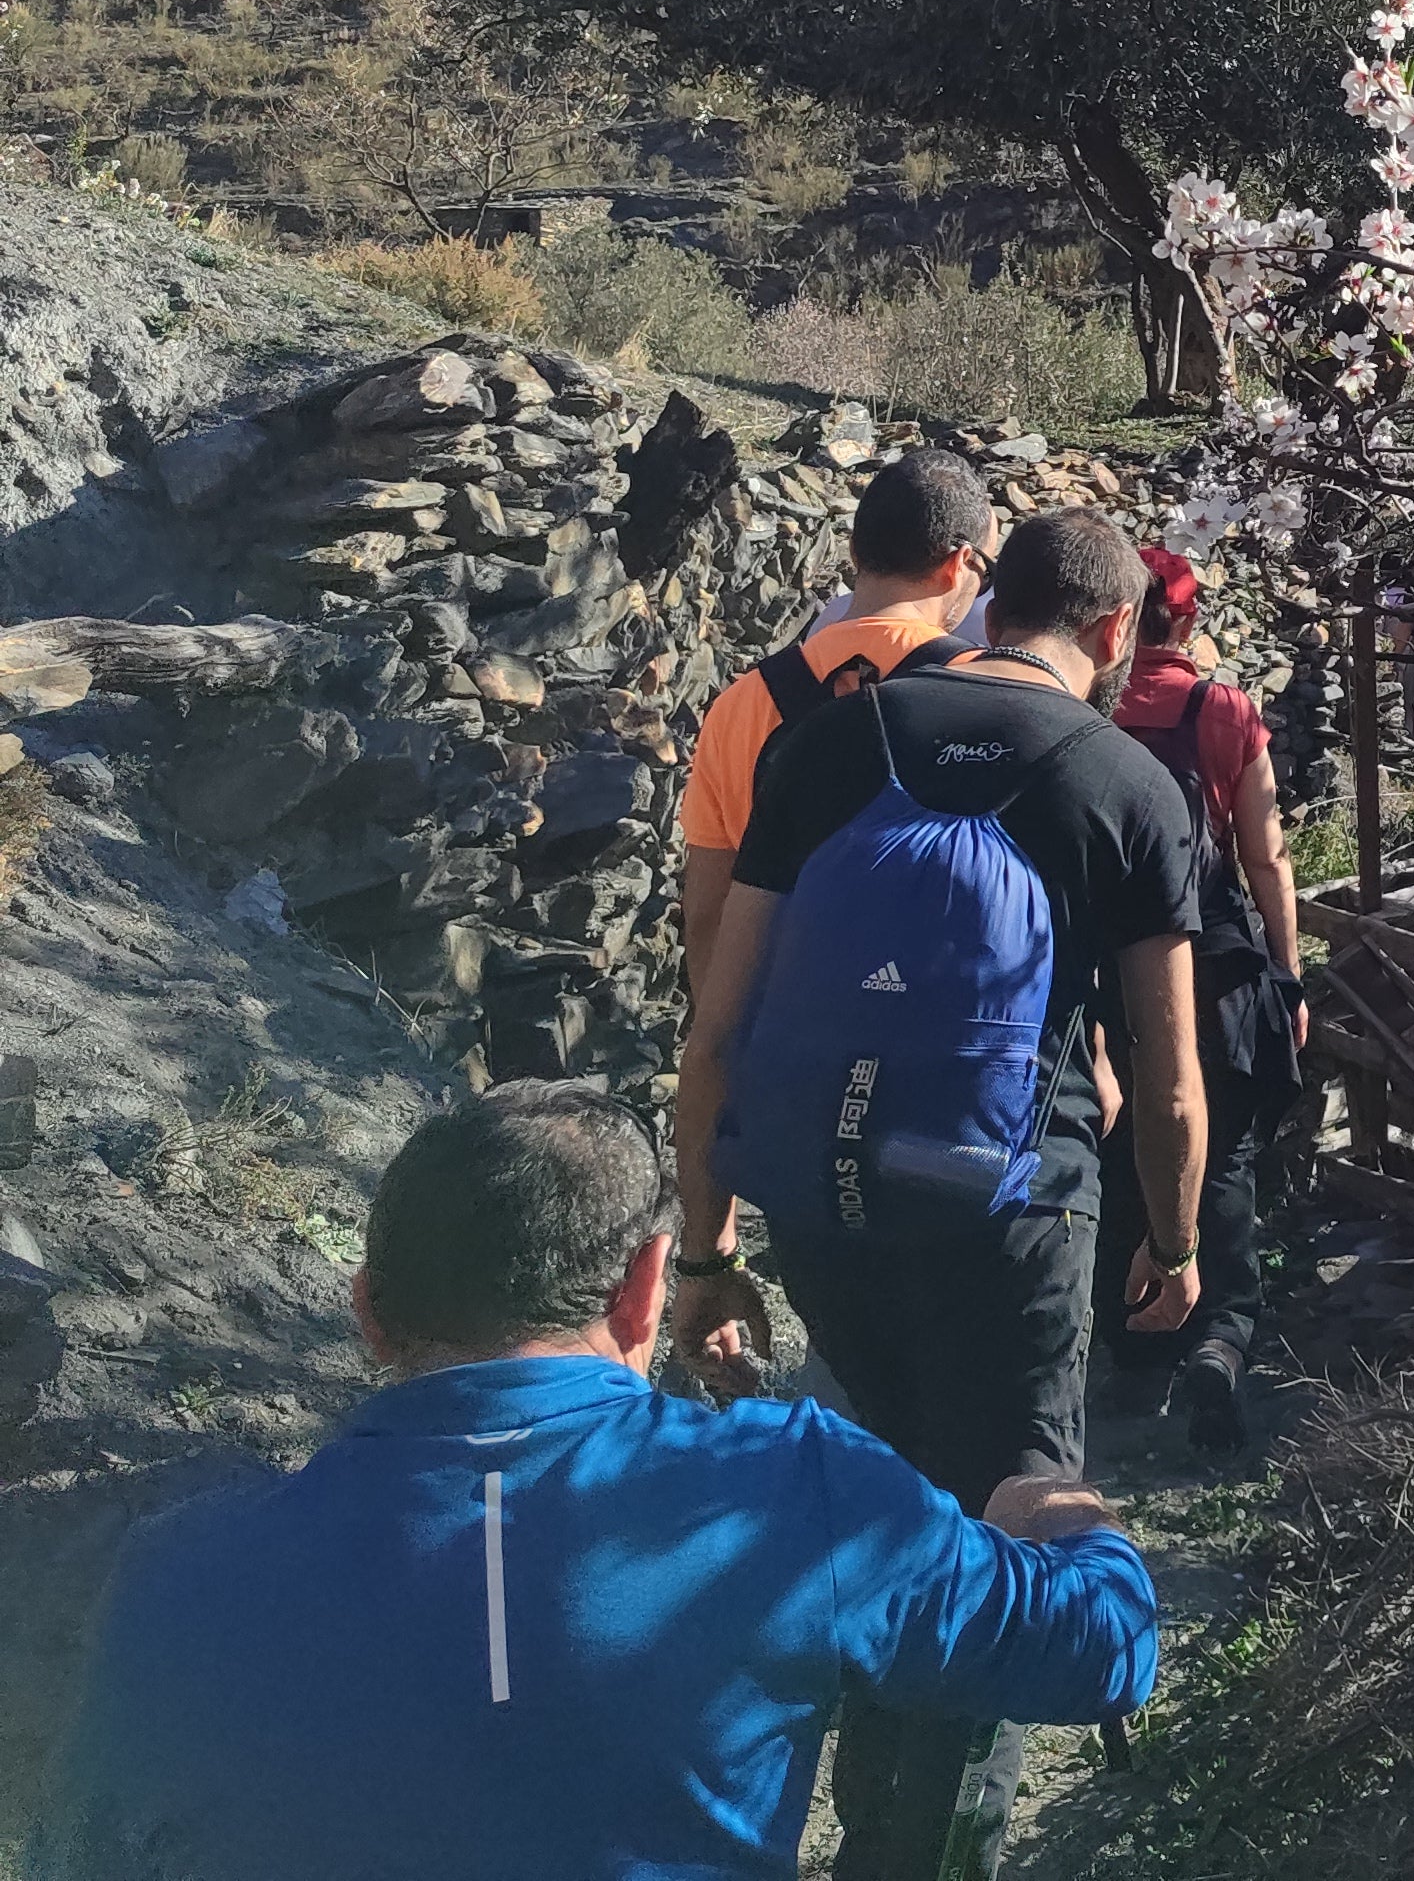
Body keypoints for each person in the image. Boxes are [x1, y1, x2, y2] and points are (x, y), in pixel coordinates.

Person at [34, 1083, 1155, 1881]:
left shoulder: (165, 1581)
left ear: (368, 1309)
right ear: (644, 1291)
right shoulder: (794, 1487)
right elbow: (1108, 1651)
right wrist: (1062, 1516)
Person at [668, 506, 1208, 1878]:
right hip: (1018, 1211)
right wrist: (1179, 1243)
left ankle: (858, 1809)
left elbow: (715, 1033)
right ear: (1110, 633)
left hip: (829, 1202)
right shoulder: (1126, 785)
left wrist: (708, 1252)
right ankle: (925, 1849)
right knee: (1015, 1508)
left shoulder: (828, 743)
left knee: (885, 1490)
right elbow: (1175, 1074)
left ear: (988, 602)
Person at [1094, 546, 1305, 1448]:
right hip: (1214, 969)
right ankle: (1221, 1340)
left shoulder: (1083, 713)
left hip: (1108, 972)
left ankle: (1135, 1357)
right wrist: (1287, 976)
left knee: (1118, 1157)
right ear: (1183, 621)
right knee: (1222, 1157)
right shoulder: (1222, 711)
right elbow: (1265, 856)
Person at [674, 448, 998, 967]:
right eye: (987, 569)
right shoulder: (993, 694)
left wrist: (720, 1040)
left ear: (852, 550)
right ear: (958, 566)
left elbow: (710, 910)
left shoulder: (741, 704)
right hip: (934, 1026)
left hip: (781, 1022)